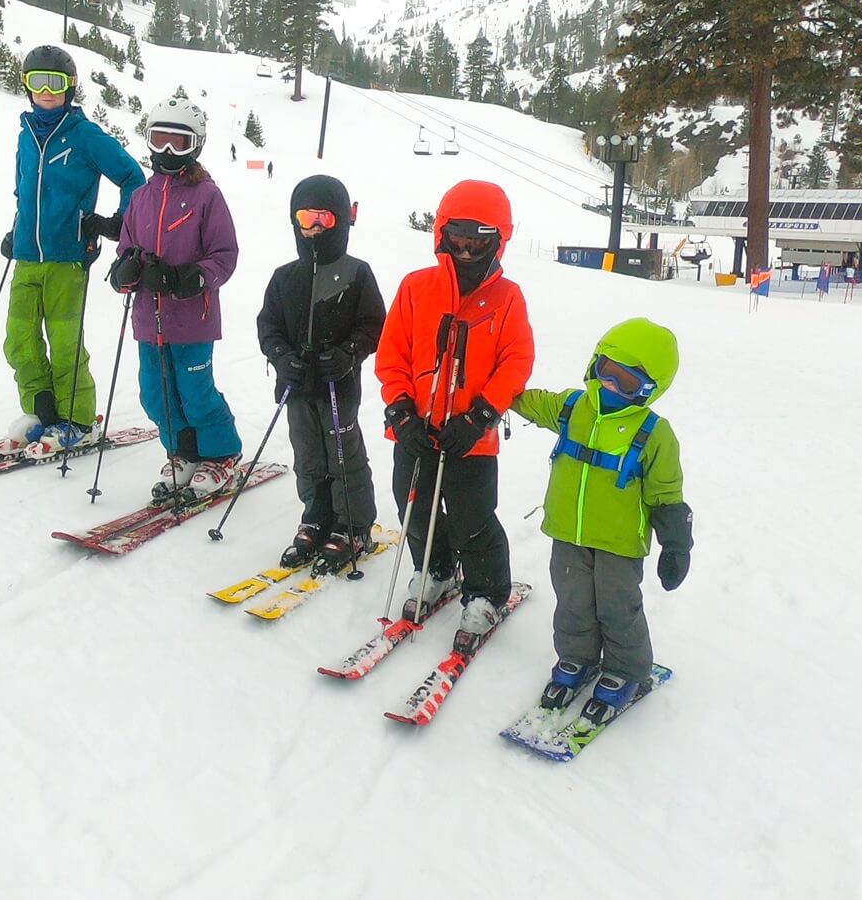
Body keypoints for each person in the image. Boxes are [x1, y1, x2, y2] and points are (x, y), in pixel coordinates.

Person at [510, 317, 693, 726]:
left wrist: (677, 544)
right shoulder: (574, 406)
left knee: (617, 608)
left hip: (618, 542)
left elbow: (666, 493)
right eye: (607, 373)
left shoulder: (654, 433)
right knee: (573, 601)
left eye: (626, 383)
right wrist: (497, 388)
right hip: (568, 533)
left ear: (649, 388)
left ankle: (626, 669)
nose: (611, 387)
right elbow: (531, 401)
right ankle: (576, 658)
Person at [375, 180, 535, 648]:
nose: (466, 251)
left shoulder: (507, 298)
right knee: (415, 506)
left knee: (473, 516)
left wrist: (482, 415)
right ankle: (436, 569)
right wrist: (401, 411)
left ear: (497, 241)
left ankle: (486, 591)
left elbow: (516, 360)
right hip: (416, 430)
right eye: (458, 238)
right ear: (442, 235)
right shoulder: (416, 287)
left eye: (479, 242)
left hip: (471, 437)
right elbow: (392, 355)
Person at [0, 45, 145, 459]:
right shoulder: (26, 135)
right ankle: (43, 413)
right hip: (28, 256)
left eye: (54, 83)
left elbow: (133, 176)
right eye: (36, 82)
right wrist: (16, 230)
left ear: (70, 88)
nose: (45, 92)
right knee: (18, 339)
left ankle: (77, 420)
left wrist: (117, 223)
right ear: (25, 87)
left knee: (64, 342)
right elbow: (25, 190)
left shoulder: (84, 135)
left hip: (67, 256)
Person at [108, 98, 243, 500]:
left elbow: (224, 255)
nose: (168, 151)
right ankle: (182, 452)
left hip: (192, 320)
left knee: (196, 392)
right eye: (160, 140)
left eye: (179, 143)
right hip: (148, 321)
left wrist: (195, 277)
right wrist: (124, 274)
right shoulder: (141, 197)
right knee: (155, 393)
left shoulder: (206, 196)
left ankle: (220, 454)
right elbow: (125, 249)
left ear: (196, 145)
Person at [257, 176, 386, 574]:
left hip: (338, 386)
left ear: (342, 222)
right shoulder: (285, 277)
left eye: (323, 219)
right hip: (297, 388)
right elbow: (269, 326)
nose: (313, 229)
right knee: (308, 455)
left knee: (343, 454)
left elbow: (374, 324)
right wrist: (281, 357)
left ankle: (352, 525)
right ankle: (316, 516)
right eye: (305, 218)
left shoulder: (357, 273)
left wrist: (349, 353)